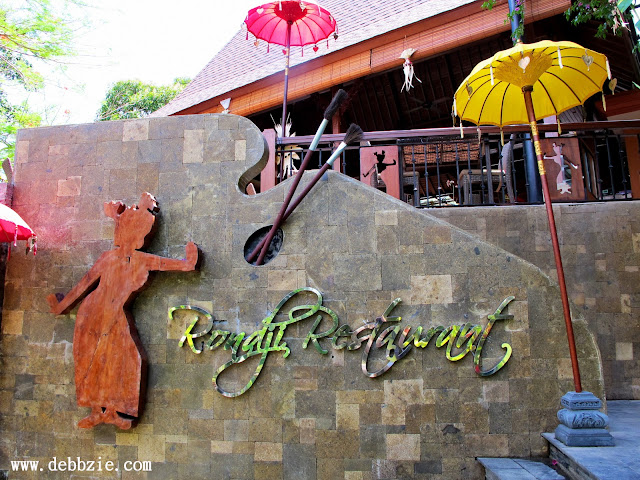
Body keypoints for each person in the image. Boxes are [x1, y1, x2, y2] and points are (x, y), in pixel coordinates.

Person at [47, 192, 198, 429]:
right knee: (92, 360)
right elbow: (84, 285)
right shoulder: (109, 258)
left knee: (127, 359)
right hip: (93, 313)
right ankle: (97, 411)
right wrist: (61, 306)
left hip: (114, 314)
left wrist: (188, 263)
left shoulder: (140, 260)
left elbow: (174, 265)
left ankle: (114, 411)